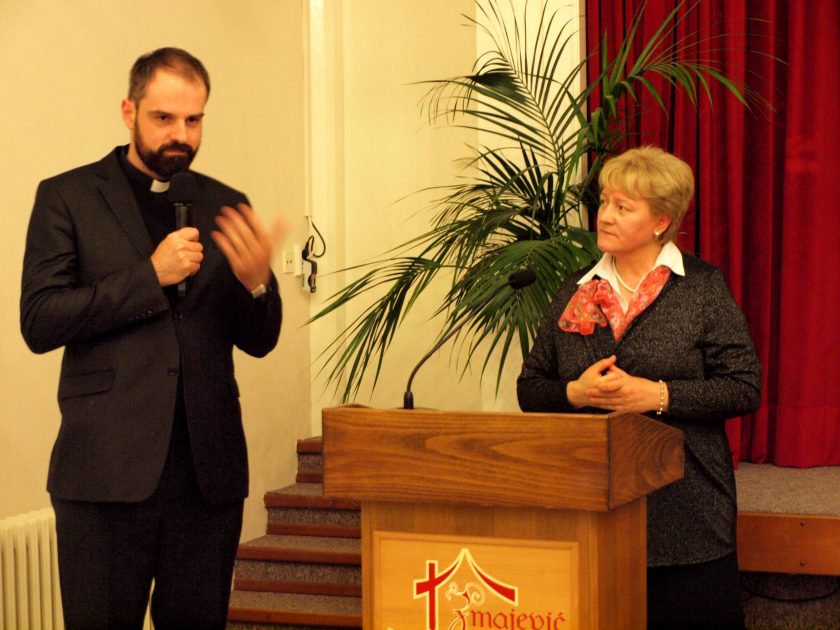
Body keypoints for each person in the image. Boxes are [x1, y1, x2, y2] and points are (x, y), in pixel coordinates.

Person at [20, 47, 284, 629]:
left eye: (193, 120)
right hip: (105, 475)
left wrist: (259, 286)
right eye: (163, 118)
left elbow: (261, 341)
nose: (180, 135)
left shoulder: (225, 204)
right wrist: (150, 276)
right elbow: (39, 320)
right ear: (129, 111)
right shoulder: (68, 197)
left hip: (206, 480)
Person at [517, 146, 761, 630]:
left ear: (660, 222)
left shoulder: (701, 288)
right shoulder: (575, 289)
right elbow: (531, 389)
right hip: (590, 508)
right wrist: (576, 393)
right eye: (605, 202)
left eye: (623, 207)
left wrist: (659, 396)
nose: (605, 216)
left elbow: (743, 387)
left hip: (686, 511)